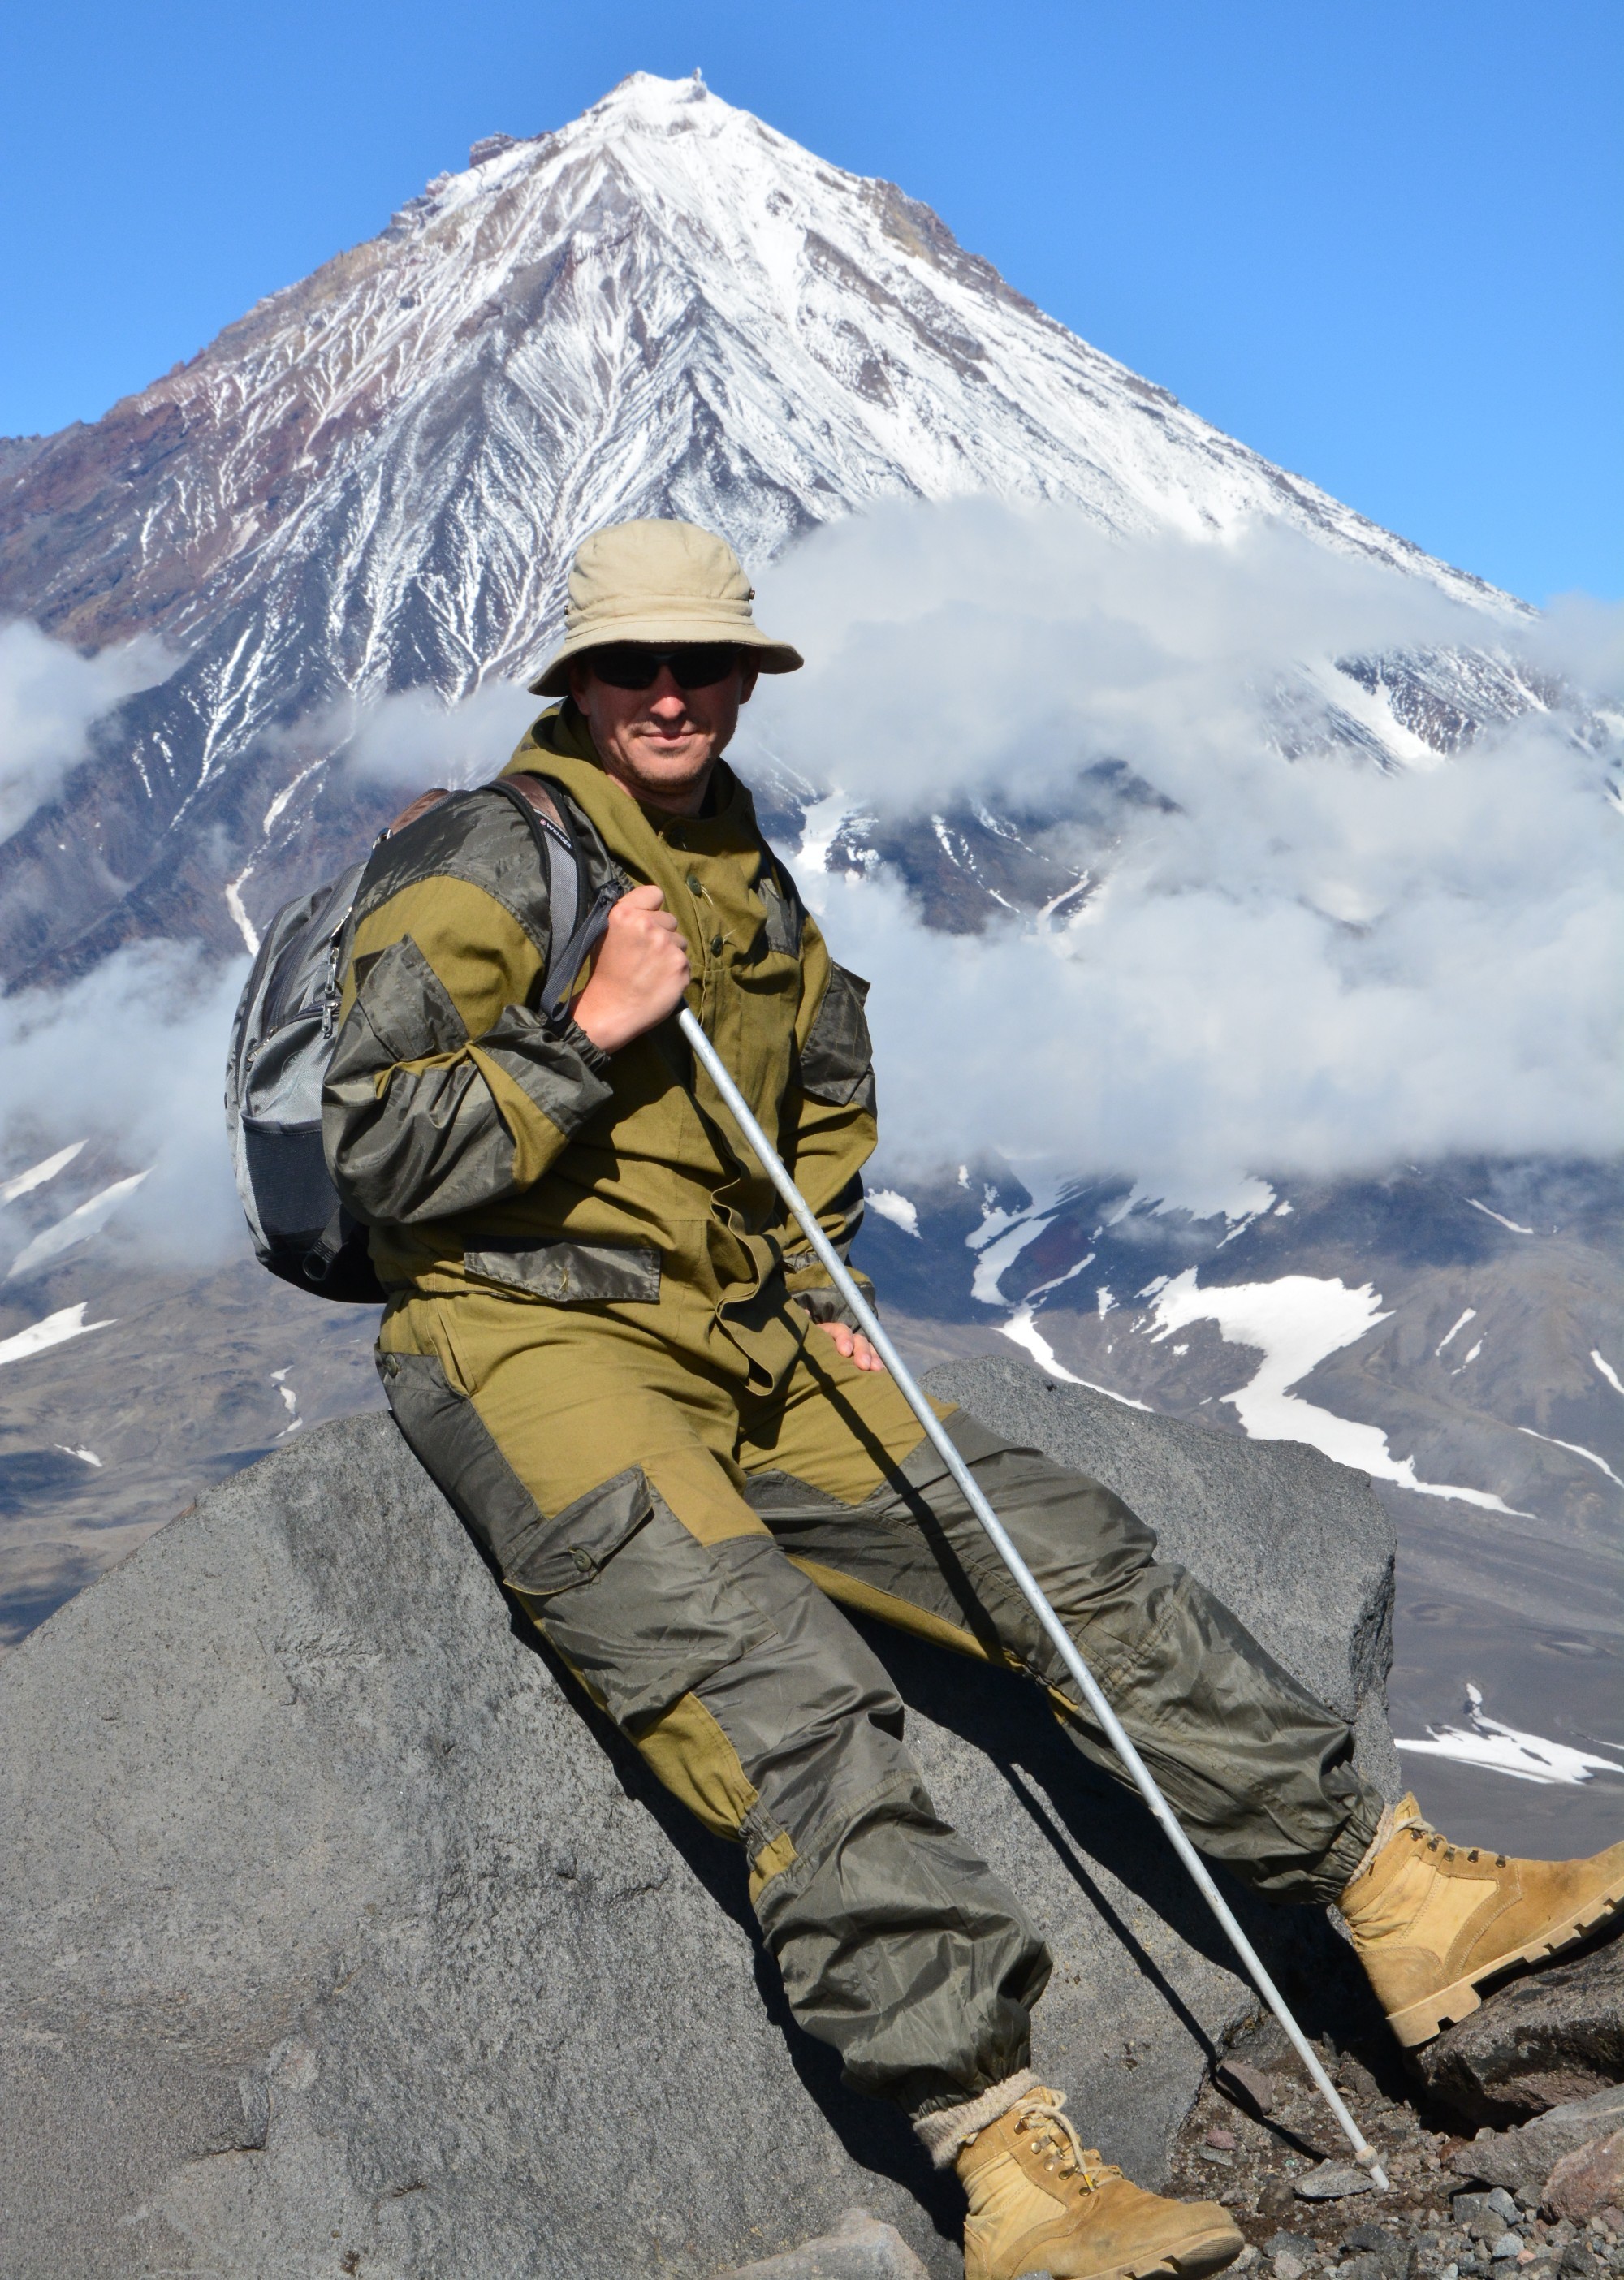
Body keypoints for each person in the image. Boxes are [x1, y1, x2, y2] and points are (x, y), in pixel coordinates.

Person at [323, 519, 1624, 2280]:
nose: (673, 694)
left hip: (743, 1331)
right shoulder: (490, 855)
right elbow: (378, 1141)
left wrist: (812, 1267)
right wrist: (595, 1029)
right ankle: (1005, 2159)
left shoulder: (735, 856)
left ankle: (1397, 1900)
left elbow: (821, 1091)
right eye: (636, 666)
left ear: (744, 676)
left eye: (706, 664)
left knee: (1062, 1551)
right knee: (774, 1698)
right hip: (532, 1337)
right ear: (574, 679)